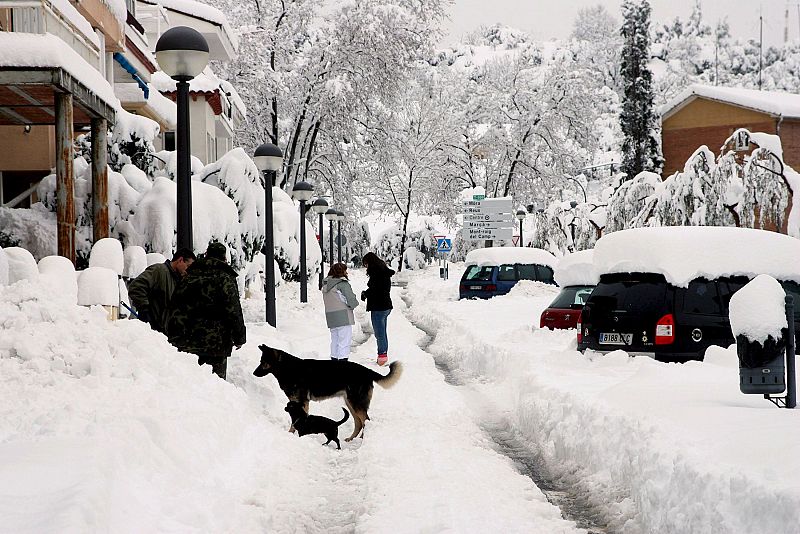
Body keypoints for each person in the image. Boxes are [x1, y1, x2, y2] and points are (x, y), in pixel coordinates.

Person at [167, 242, 246, 380]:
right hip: (216, 344)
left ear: (206, 254)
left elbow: (176, 304)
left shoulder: (189, 275)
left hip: (187, 341)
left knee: (190, 384)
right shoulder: (226, 278)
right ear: (224, 258)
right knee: (215, 388)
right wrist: (240, 337)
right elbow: (233, 311)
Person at [128, 248, 196, 333]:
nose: (188, 271)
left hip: (167, 333)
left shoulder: (180, 280)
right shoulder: (159, 270)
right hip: (152, 330)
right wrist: (144, 309)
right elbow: (136, 287)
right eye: (188, 266)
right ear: (180, 260)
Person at [360, 252, 395, 366]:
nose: (366, 267)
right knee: (382, 332)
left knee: (379, 333)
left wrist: (366, 294)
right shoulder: (383, 271)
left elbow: (376, 290)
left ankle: (382, 358)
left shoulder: (377, 273)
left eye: (366, 264)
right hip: (385, 306)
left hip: (379, 307)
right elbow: (379, 288)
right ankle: (383, 355)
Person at [322, 263, 359, 361]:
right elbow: (351, 300)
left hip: (331, 317)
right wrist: (355, 304)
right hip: (343, 316)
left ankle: (334, 362)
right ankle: (342, 365)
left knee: (335, 341)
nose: (346, 272)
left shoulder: (326, 284)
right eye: (345, 270)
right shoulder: (342, 284)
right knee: (344, 342)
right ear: (340, 272)